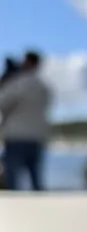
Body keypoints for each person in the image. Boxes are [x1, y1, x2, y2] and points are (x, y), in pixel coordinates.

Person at [0, 51, 52, 191]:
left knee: (13, 181)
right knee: (36, 180)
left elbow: (3, 103)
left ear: (27, 62)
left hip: (16, 137)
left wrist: (5, 81)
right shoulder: (44, 87)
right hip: (37, 137)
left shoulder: (17, 83)